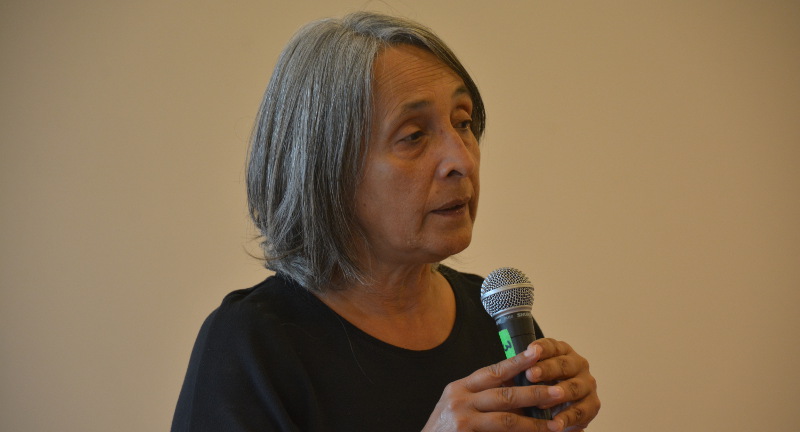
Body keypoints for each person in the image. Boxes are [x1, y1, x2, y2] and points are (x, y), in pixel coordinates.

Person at [172, 11, 600, 432]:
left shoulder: (496, 318)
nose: (461, 159)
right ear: (327, 171)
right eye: (413, 135)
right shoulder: (252, 344)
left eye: (463, 123)